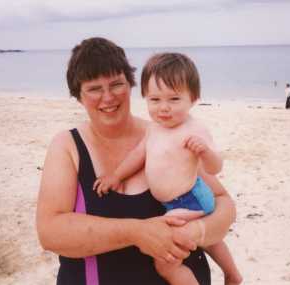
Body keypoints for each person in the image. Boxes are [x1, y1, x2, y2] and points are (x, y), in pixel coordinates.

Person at [36, 37, 236, 285]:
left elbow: (222, 203)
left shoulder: (165, 135)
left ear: (131, 85)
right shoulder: (67, 146)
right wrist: (137, 232)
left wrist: (196, 232)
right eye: (94, 88)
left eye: (116, 84)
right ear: (79, 95)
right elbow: (50, 232)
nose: (108, 97)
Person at [93, 53, 243, 285]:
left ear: (193, 98)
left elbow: (215, 168)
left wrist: (204, 152)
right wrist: (116, 175)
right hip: (174, 201)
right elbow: (138, 155)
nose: (164, 108)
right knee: (211, 241)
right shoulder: (154, 129)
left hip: (191, 200)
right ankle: (232, 274)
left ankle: (223, 275)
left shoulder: (194, 130)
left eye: (174, 99)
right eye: (155, 100)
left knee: (165, 262)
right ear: (145, 97)